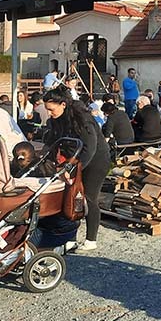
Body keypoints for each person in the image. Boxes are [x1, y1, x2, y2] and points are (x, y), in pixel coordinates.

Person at [42, 87, 108, 251]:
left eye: (51, 109)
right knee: (71, 197)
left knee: (88, 197)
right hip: (73, 159)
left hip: (96, 159)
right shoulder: (57, 119)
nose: (49, 113)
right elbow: (54, 139)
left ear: (63, 105)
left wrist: (76, 169)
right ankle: (70, 238)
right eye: (47, 109)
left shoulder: (81, 117)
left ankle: (91, 239)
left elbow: (90, 147)